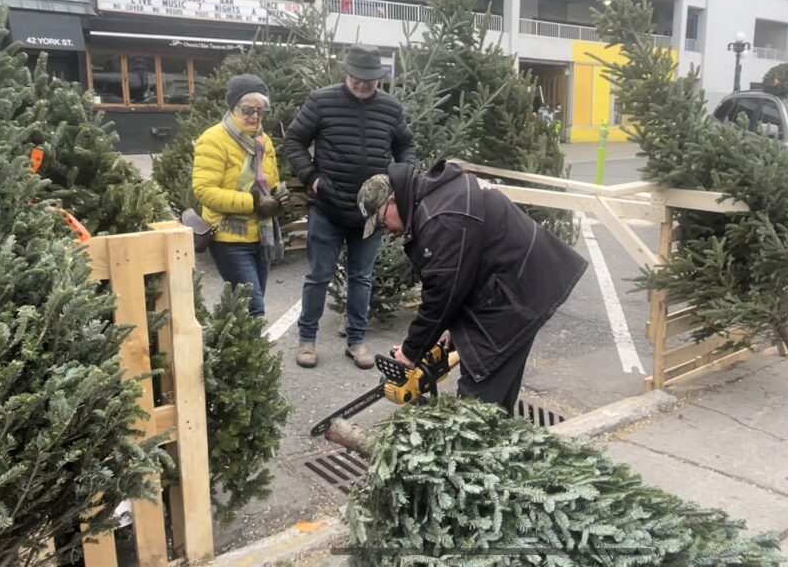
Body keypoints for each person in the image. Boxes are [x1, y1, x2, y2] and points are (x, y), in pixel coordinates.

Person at [356, 161, 588, 411]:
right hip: (516, 282)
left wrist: (411, 352)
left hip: (519, 290)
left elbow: (443, 293)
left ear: (392, 201)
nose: (386, 231)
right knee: (496, 391)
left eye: (381, 222)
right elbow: (463, 272)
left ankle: (475, 445)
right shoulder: (437, 198)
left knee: (476, 394)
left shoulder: (440, 217)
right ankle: (499, 439)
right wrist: (449, 329)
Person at [286, 44, 415, 370]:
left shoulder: (390, 108)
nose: (362, 85)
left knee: (362, 278)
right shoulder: (321, 101)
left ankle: (357, 341)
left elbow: (406, 145)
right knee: (318, 276)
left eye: (369, 80)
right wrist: (312, 177)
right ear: (347, 73)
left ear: (378, 78)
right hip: (328, 208)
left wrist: (399, 184)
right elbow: (294, 141)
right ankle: (307, 340)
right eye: (357, 78)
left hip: (370, 216)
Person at [192, 74, 288, 318]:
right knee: (253, 306)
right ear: (233, 108)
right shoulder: (213, 139)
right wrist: (254, 203)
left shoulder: (263, 140)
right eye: (247, 110)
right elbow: (204, 191)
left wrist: (277, 195)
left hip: (261, 235)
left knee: (245, 304)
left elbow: (270, 180)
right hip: (229, 237)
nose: (255, 117)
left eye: (261, 110)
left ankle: (233, 349)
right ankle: (253, 355)